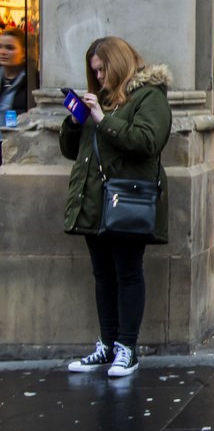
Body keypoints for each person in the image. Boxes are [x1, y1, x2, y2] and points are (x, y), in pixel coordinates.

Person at [61, 37, 172, 377]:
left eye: (102, 69)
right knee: (103, 275)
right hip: (93, 200)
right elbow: (71, 150)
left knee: (127, 273)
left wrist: (102, 118)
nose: (98, 77)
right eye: (94, 72)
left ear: (118, 63)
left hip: (127, 199)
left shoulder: (149, 96)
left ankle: (127, 347)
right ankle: (107, 345)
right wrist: (76, 121)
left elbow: (147, 141)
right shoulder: (102, 99)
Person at [0, 26, 28, 114]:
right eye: (0, 47)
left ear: (23, 52)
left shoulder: (32, 82)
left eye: (10, 48)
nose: (3, 52)